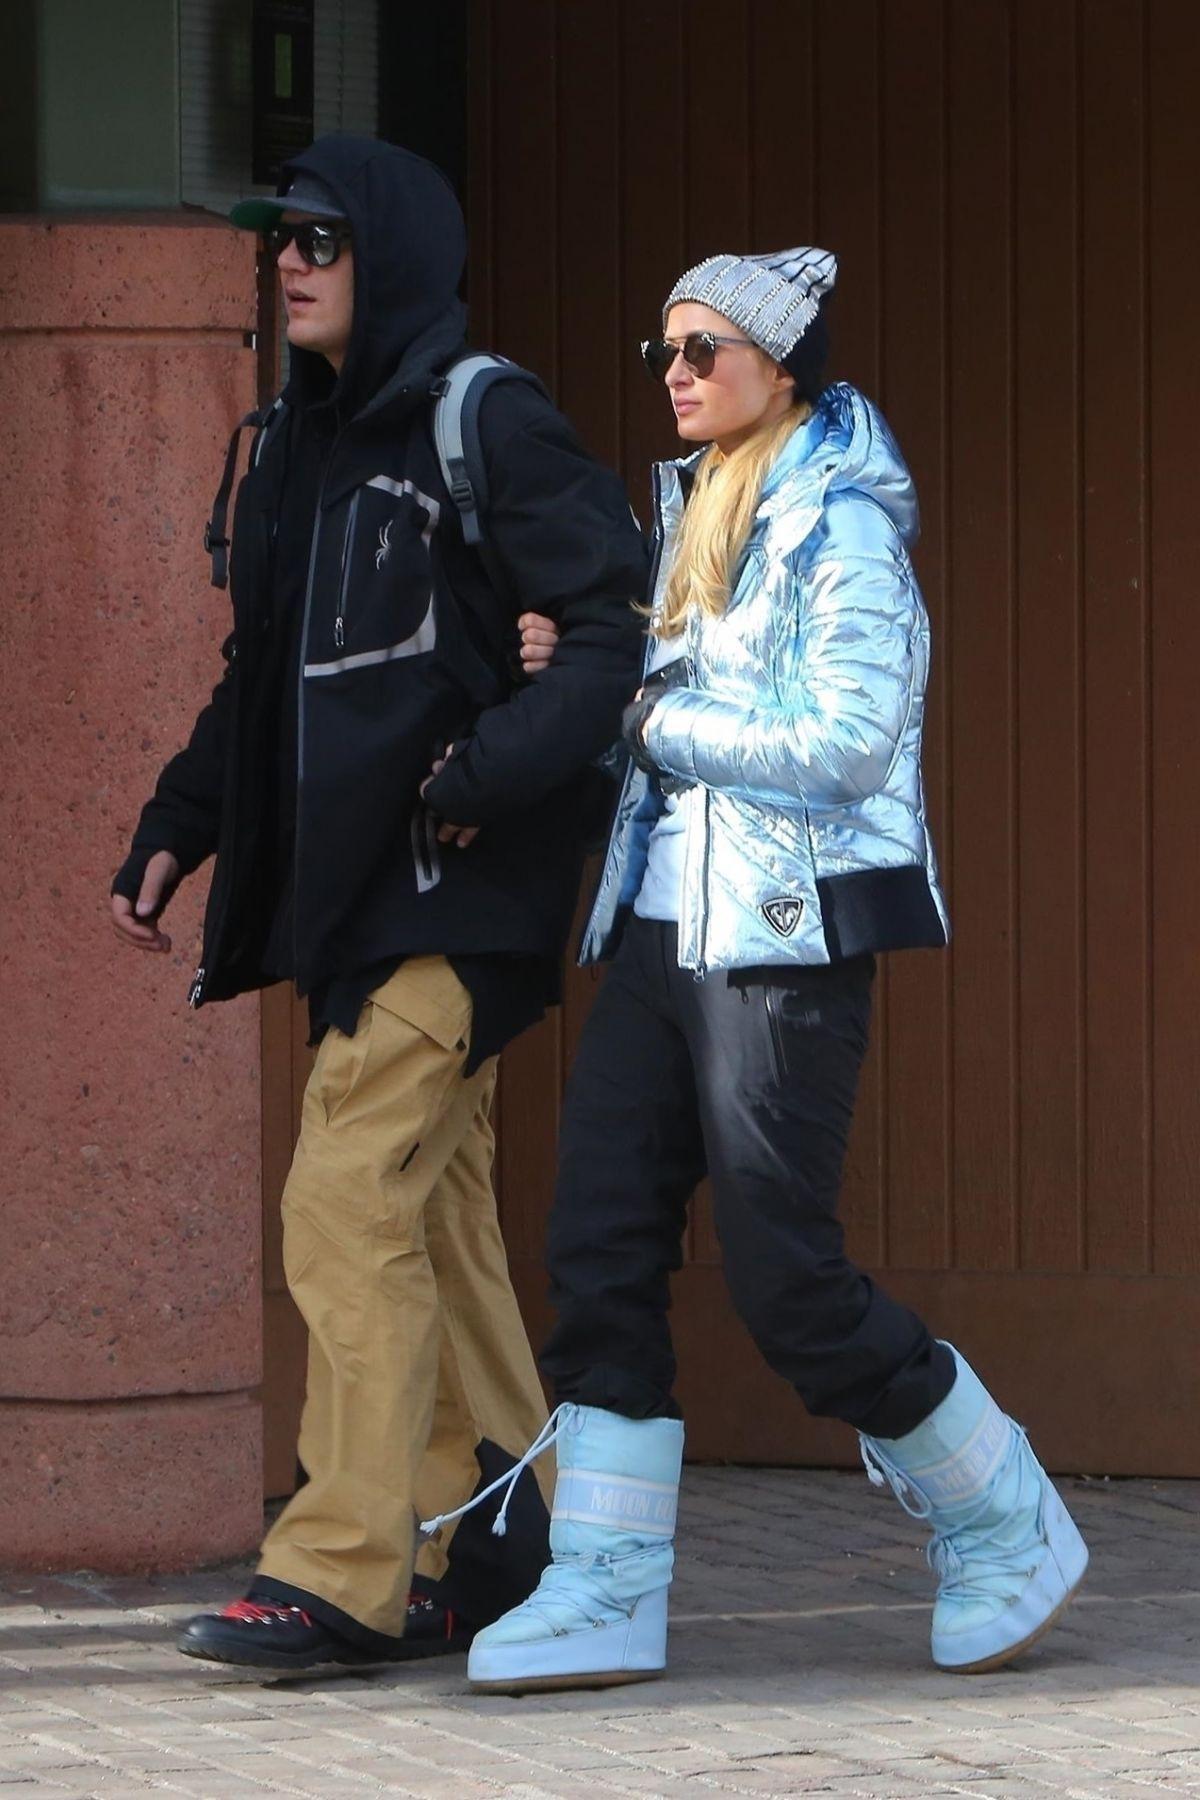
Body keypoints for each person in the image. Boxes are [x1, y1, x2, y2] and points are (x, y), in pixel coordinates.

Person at [443, 247, 1089, 1693]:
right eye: (663, 351)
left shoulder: (841, 528)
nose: (673, 373)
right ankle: (604, 1584)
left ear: (781, 367)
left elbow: (848, 744)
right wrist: (585, 675)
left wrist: (646, 713)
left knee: (785, 1277)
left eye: (705, 349)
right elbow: (661, 711)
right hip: (659, 927)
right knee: (598, 1246)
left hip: (787, 937)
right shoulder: (692, 514)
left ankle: (1005, 1515)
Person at [109, 133, 646, 1672]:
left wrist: (489, 766)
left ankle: (342, 1562)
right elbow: (260, 680)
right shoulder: (296, 445)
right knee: (433, 1212)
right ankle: (495, 1528)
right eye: (278, 237)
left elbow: (608, 630)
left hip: (462, 893)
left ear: (391, 255)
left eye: (321, 239)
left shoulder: (488, 418)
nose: (288, 261)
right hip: (355, 900)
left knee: (342, 1198)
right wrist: (179, 823)